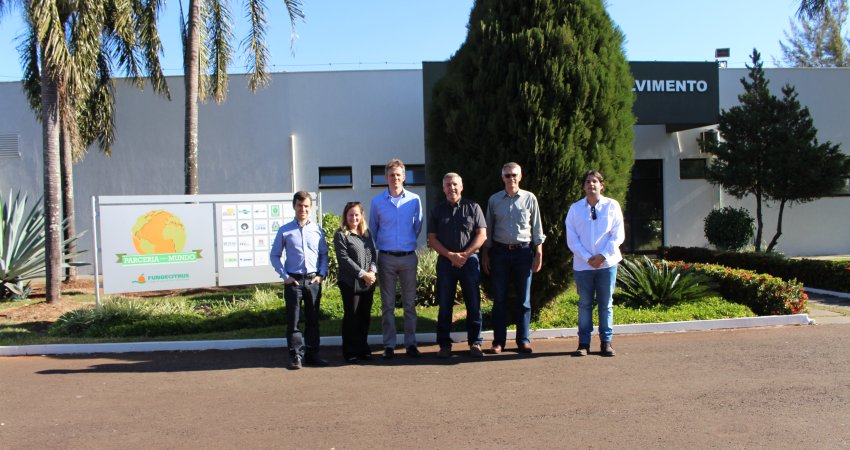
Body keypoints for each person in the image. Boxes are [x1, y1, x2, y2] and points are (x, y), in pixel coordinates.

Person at [482, 162, 546, 354]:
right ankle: (498, 342)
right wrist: (486, 253)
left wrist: (539, 253)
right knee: (499, 299)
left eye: (514, 175)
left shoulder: (529, 198)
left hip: (523, 253)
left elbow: (537, 228)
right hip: (500, 253)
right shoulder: (494, 200)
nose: (511, 178)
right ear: (502, 177)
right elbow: (488, 229)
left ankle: (523, 340)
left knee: (523, 300)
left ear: (521, 176)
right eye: (507, 175)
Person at [427, 173, 487, 359]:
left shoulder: (473, 207)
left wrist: (465, 255)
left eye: (454, 184)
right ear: (443, 188)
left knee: (473, 303)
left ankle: (475, 343)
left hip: (470, 262)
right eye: (447, 185)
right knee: (445, 305)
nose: (451, 188)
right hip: (446, 263)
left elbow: (482, 235)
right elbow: (431, 238)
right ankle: (444, 345)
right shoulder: (437, 211)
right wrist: (451, 255)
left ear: (461, 186)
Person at [565, 170, 625, 357]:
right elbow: (572, 238)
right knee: (584, 304)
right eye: (588, 182)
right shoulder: (575, 209)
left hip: (607, 265)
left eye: (595, 182)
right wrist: (587, 258)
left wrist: (602, 256)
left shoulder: (612, 206)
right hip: (583, 266)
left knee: (606, 304)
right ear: (583, 186)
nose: (591, 185)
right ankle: (583, 343)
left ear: (601, 185)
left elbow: (618, 235)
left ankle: (606, 343)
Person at [369, 159, 424, 359]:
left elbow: (417, 227)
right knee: (387, 305)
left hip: (408, 257)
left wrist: (405, 243)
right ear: (386, 177)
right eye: (391, 175)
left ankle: (410, 343)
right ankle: (389, 345)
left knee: (410, 304)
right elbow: (373, 229)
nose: (395, 178)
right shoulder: (377, 202)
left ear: (404, 177)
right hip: (386, 258)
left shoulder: (414, 200)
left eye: (398, 175)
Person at [270, 191, 329, 369]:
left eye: (306, 206)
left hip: (313, 282)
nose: (302, 209)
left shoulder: (317, 230)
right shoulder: (285, 230)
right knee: (294, 321)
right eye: (299, 205)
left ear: (310, 208)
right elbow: (274, 255)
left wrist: (322, 274)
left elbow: (324, 254)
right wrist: (285, 277)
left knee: (313, 321)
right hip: (294, 282)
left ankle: (313, 354)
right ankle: (296, 356)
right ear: (294, 206)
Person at [334, 201, 378, 363]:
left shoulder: (366, 234)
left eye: (357, 214)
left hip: (368, 282)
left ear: (361, 216)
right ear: (346, 216)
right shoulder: (341, 235)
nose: (354, 218)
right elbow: (344, 259)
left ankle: (362, 348)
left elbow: (373, 254)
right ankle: (350, 350)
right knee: (352, 316)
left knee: (364, 316)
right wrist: (363, 274)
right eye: (351, 214)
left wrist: (372, 272)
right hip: (350, 282)